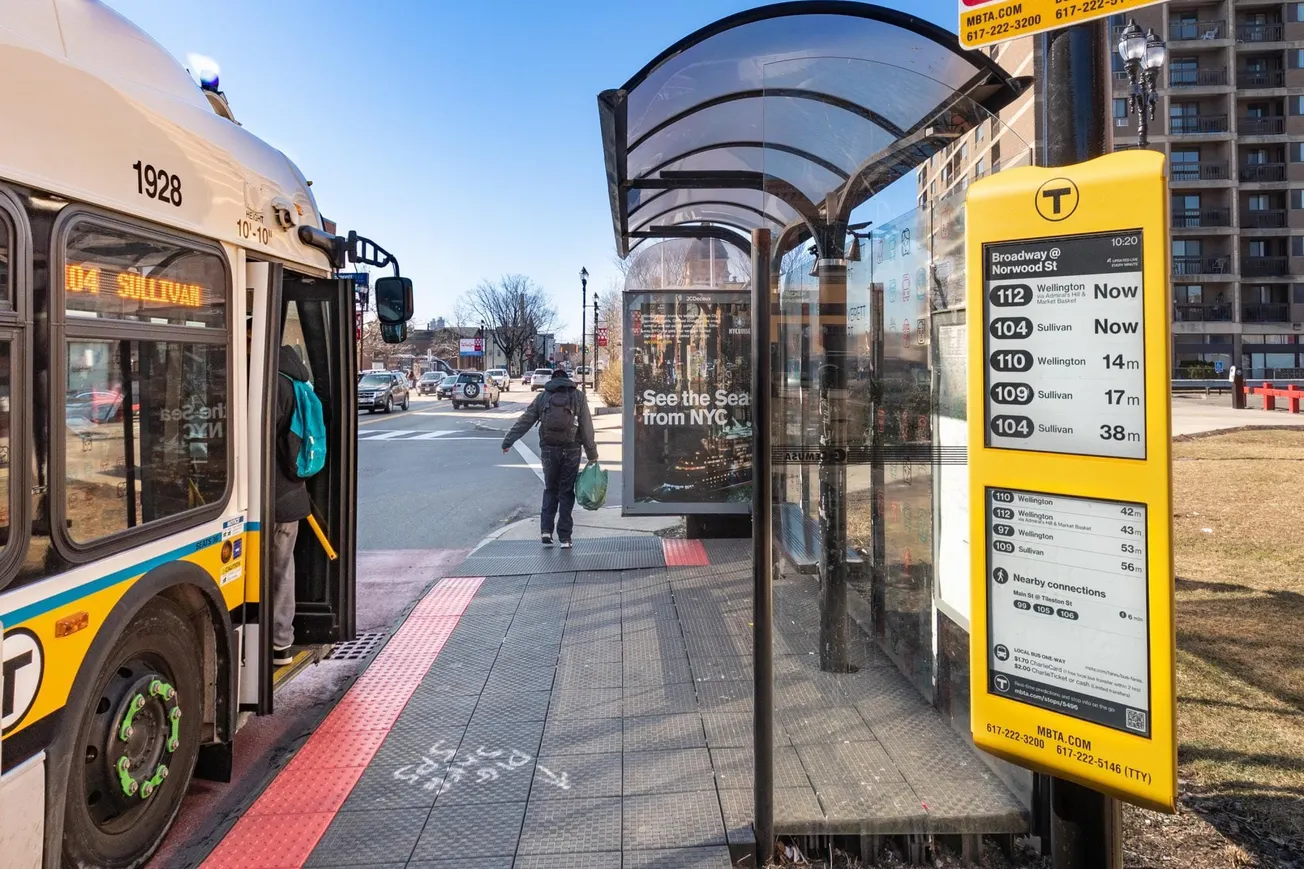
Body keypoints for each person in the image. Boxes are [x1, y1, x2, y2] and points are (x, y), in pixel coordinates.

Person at [501, 368, 598, 548]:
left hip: (548, 449)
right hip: (572, 449)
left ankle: (546, 531)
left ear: (552, 380)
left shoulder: (543, 397)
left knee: (550, 489)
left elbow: (525, 420)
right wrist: (592, 454)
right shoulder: (578, 396)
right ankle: (565, 538)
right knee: (566, 491)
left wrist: (508, 441)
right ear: (567, 379)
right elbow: (586, 428)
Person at [273, 345, 313, 666]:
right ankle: (281, 641)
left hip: (273, 499)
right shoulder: (299, 386)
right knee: (284, 569)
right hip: (293, 494)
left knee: (277, 570)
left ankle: (277, 641)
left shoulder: (275, 386)